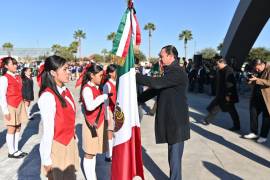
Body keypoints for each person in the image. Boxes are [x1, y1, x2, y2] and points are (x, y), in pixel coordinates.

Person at [136, 45, 190, 180]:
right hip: (172, 121)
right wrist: (137, 100)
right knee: (173, 157)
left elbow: (156, 84)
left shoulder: (177, 72)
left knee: (175, 158)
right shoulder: (169, 71)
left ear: (171, 57)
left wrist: (135, 76)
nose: (159, 58)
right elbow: (156, 90)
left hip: (176, 122)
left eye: (162, 56)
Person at [38, 55, 79, 180]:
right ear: (53, 72)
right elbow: (48, 130)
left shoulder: (66, 91)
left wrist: (73, 135)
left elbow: (69, 118)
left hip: (69, 143)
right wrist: (46, 159)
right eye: (65, 69)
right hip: (57, 146)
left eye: (69, 69)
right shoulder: (48, 97)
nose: (69, 72)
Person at [80, 63, 108, 180]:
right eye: (100, 75)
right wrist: (103, 97)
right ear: (92, 75)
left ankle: (92, 176)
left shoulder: (97, 87)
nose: (102, 78)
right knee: (89, 154)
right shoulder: (87, 88)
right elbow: (90, 106)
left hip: (99, 123)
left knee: (94, 152)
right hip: (92, 124)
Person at [0, 57, 28, 159]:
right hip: (11, 105)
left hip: (19, 104)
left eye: (16, 64)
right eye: (13, 64)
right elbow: (2, 96)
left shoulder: (17, 76)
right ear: (6, 66)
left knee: (18, 127)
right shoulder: (4, 78)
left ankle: (16, 149)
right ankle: (11, 152)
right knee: (11, 128)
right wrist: (5, 110)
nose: (16, 66)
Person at [202, 57, 240, 131]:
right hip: (221, 94)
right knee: (216, 107)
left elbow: (230, 84)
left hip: (227, 95)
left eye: (217, 64)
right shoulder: (221, 70)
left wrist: (228, 95)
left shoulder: (228, 70)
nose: (217, 65)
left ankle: (237, 126)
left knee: (232, 110)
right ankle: (207, 120)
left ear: (222, 62)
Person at [244, 59, 270, 143]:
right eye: (255, 69)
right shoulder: (256, 70)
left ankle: (263, 136)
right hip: (256, 96)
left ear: (262, 64)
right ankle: (253, 132)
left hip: (267, 98)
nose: (256, 70)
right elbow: (254, 81)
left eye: (258, 68)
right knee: (253, 114)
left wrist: (257, 80)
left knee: (266, 118)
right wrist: (249, 80)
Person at [103, 64, 117, 162]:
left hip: (116, 109)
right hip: (109, 110)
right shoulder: (107, 85)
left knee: (114, 131)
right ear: (110, 73)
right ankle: (109, 154)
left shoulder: (116, 82)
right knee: (110, 131)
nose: (117, 73)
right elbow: (105, 101)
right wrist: (107, 115)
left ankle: (113, 151)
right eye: (115, 71)